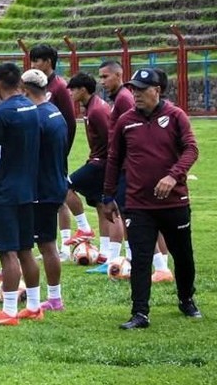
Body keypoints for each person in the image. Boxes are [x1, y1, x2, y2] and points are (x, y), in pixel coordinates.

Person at [104, 69, 200, 329]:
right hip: (138, 204)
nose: (135, 93)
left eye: (141, 88)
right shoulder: (126, 121)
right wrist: (108, 195)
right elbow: (114, 160)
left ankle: (186, 299)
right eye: (133, 88)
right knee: (141, 258)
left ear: (157, 90)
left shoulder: (176, 116)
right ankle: (140, 313)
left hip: (174, 202)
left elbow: (191, 149)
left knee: (183, 256)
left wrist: (173, 176)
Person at [0, 62, 40, 326]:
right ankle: (35, 306)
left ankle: (10, 311)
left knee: (8, 252)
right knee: (26, 249)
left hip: (4, 189)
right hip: (27, 187)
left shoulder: (0, 113)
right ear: (20, 84)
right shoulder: (31, 108)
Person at [21, 70, 68, 316]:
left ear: (26, 90)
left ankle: (50, 298)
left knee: (45, 244)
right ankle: (50, 295)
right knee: (45, 242)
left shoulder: (37, 117)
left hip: (42, 188)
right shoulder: (55, 112)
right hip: (55, 183)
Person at [28, 44, 79, 260]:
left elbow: (70, 122)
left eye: (37, 60)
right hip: (41, 155)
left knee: (60, 197)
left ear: (48, 62)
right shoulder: (38, 86)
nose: (33, 65)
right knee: (49, 200)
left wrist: (62, 152)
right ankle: (53, 244)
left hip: (56, 153)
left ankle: (66, 246)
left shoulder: (59, 87)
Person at [64, 72, 119, 271]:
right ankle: (104, 254)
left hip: (101, 163)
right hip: (99, 160)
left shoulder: (96, 110)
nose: (70, 93)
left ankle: (84, 228)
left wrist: (109, 164)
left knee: (65, 186)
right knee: (100, 205)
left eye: (73, 89)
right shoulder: (92, 107)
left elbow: (111, 139)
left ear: (83, 90)